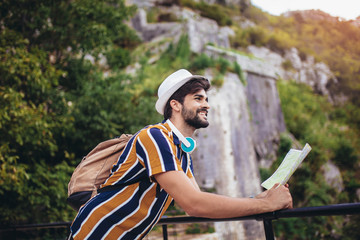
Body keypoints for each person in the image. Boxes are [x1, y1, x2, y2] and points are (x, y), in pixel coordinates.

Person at [69, 69, 293, 240]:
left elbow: (199, 200)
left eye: (206, 99)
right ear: (175, 105)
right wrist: (266, 206)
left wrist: (258, 199)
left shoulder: (181, 152)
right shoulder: (155, 137)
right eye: (198, 98)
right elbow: (194, 204)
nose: (206, 105)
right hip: (95, 233)